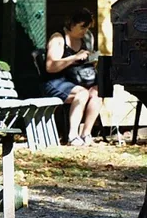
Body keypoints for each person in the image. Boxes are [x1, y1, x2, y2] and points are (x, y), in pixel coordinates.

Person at [41, 8, 105, 145]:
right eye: (82, 27)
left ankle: (86, 134)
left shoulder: (87, 38)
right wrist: (74, 57)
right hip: (56, 81)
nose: (85, 31)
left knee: (99, 91)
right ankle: (72, 135)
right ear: (71, 23)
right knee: (82, 94)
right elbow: (50, 67)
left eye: (87, 27)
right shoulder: (58, 38)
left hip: (77, 80)